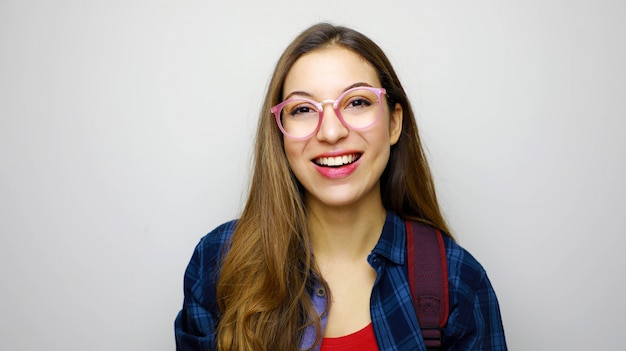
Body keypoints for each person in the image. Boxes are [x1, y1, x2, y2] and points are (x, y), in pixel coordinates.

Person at [174, 23, 507, 351]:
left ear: (394, 123)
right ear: (280, 134)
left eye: (357, 102)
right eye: (303, 109)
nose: (331, 132)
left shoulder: (457, 281)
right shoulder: (216, 265)